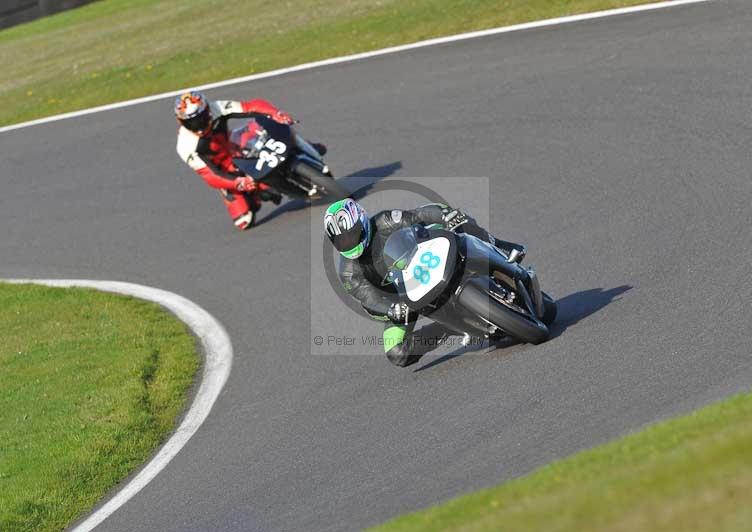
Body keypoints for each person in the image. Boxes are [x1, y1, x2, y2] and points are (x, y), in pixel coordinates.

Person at [323, 198, 526, 367]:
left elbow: (418, 216)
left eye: (352, 234)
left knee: (458, 223)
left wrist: (445, 214)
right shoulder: (349, 273)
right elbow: (369, 299)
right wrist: (391, 309)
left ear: (362, 221)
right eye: (341, 240)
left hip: (423, 262)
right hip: (401, 300)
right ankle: (448, 327)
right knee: (397, 352)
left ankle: (499, 247)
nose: (349, 242)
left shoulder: (384, 221)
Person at [174, 90, 326, 230]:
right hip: (225, 170)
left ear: (207, 109)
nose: (198, 125)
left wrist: (275, 113)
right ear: (181, 122)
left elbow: (251, 106)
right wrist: (237, 183)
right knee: (244, 220)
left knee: (271, 128)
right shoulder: (185, 146)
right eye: (191, 122)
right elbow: (210, 175)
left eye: (200, 118)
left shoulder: (217, 108)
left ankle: (304, 146)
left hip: (235, 147)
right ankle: (255, 192)